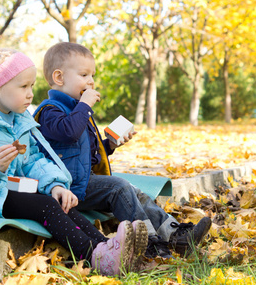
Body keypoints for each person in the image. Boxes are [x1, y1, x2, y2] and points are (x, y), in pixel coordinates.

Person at [0, 48, 148, 276]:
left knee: (57, 199)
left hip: (8, 186)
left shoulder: (19, 118)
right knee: (46, 206)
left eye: (31, 86)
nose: (31, 94)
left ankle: (108, 247)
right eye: (23, 87)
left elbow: (33, 161)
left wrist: (55, 185)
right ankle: (96, 257)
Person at [33, 42, 212, 258]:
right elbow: (68, 132)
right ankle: (147, 244)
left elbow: (87, 155)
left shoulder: (77, 110)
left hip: (82, 180)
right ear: (59, 78)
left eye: (92, 75)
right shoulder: (49, 111)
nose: (91, 81)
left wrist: (109, 145)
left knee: (136, 192)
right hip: (66, 187)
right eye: (83, 75)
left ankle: (176, 236)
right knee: (118, 188)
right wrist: (85, 107)